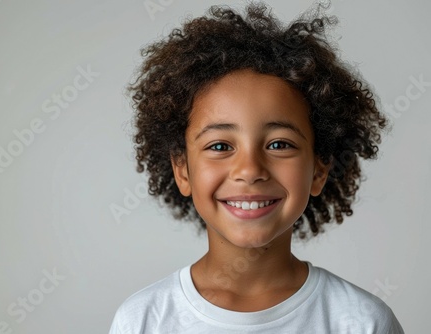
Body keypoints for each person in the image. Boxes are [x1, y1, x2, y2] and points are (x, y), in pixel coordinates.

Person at [110, 2, 404, 333]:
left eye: (279, 144)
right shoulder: (142, 320)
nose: (250, 170)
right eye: (220, 146)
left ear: (320, 170)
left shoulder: (363, 322)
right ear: (182, 170)